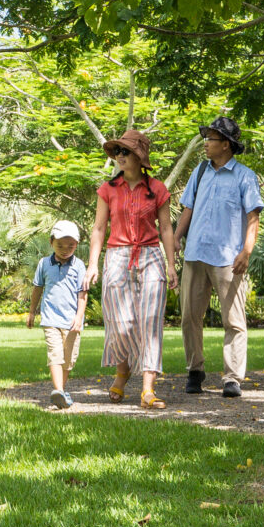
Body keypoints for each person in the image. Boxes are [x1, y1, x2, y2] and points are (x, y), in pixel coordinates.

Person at [86, 128, 177, 409]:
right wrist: (92, 263)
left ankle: (148, 390)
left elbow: (166, 229)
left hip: (150, 257)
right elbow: (99, 227)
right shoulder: (108, 189)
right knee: (120, 323)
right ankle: (122, 371)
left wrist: (172, 265)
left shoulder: (158, 189)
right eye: (117, 152)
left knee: (150, 324)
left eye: (125, 152)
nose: (119, 156)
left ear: (140, 157)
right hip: (117, 256)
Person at [174, 115, 264, 397]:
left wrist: (246, 251)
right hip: (196, 253)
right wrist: (176, 238)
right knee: (189, 316)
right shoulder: (199, 172)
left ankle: (232, 378)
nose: (205, 144)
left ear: (226, 144)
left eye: (210, 139)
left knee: (233, 320)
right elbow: (187, 209)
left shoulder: (245, 177)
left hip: (228, 258)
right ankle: (195, 370)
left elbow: (253, 218)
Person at [25, 219, 90, 409]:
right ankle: (58, 390)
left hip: (71, 322)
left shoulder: (78, 266)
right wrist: (31, 312)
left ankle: (60, 391)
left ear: (76, 245)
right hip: (50, 319)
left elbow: (82, 295)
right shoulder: (44, 263)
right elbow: (37, 289)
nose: (65, 249)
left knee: (68, 359)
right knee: (55, 354)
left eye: (70, 245)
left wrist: (79, 317)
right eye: (60, 245)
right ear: (51, 241)